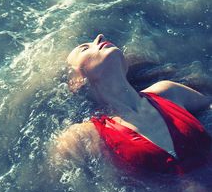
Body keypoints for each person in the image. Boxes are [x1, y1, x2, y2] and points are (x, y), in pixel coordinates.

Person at [49, 34, 212, 175]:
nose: (100, 37)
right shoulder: (83, 136)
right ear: (75, 82)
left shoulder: (168, 92)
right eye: (85, 48)